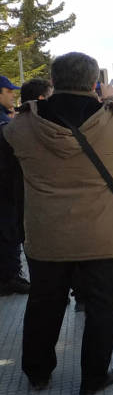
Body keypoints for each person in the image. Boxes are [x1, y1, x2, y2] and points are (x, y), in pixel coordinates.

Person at [3, 52, 113, 395]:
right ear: (94, 83)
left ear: (53, 82)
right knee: (102, 307)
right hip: (105, 236)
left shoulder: (23, 126)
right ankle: (93, 377)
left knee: (44, 303)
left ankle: (37, 372)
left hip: (46, 235)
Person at [0, 75, 27, 296]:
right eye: (9, 91)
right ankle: (9, 278)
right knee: (8, 232)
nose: (13, 95)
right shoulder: (4, 124)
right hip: (5, 189)